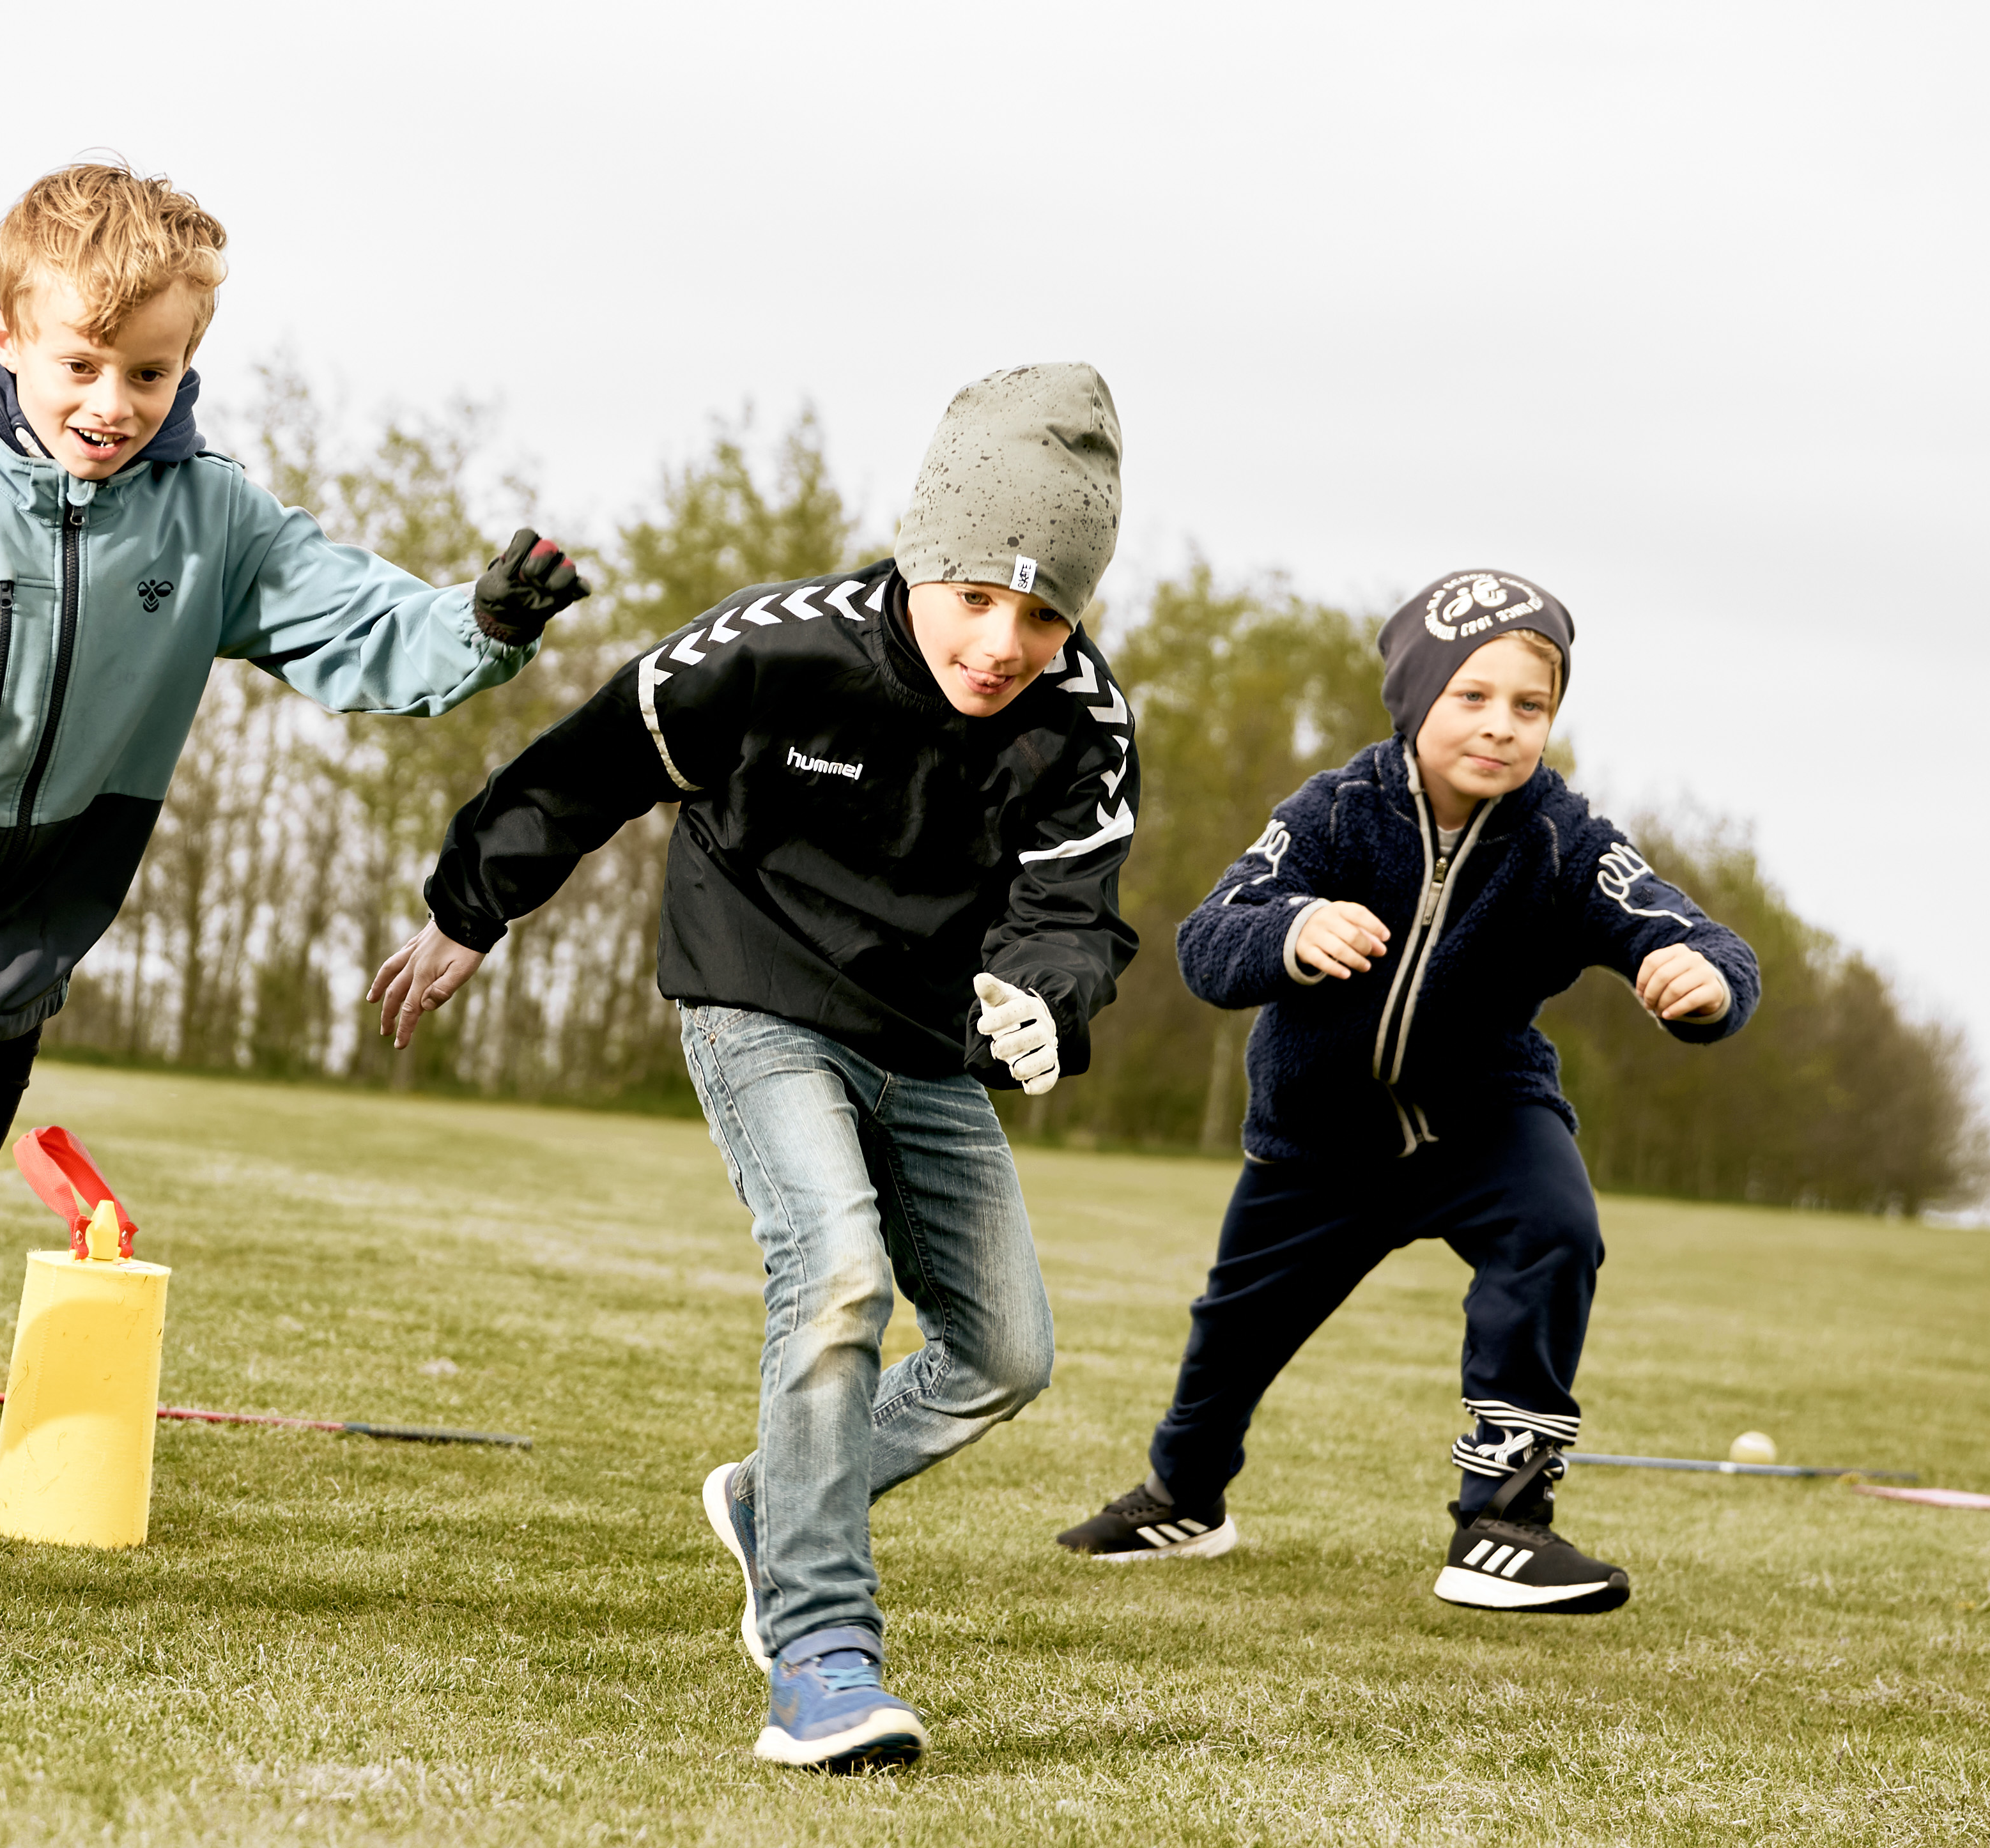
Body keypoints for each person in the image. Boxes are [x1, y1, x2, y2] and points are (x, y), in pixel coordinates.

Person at [0, 161, 588, 1620]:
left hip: (37, 908)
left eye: (151, 370)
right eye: (81, 363)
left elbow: (361, 624)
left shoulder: (213, 523)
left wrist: (483, 623)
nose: (112, 401)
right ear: (2, 332)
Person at [376, 366, 1140, 1771]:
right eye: (978, 595)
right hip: (759, 991)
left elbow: (1074, 913)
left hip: (922, 1039)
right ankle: (823, 1654)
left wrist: (1046, 997)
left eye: (1045, 612)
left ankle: (770, 1492)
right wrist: (469, 909)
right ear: (926, 555)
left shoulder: (1081, 722)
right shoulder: (775, 650)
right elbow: (593, 762)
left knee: (1007, 1353)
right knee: (838, 1267)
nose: (1004, 641)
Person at [1053, 569, 1759, 1615]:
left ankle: (1502, 1524)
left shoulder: (1564, 841)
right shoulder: (1335, 812)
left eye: (1531, 706)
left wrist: (1703, 985)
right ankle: (1184, 1499)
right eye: (1471, 697)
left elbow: (1694, 936)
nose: (1502, 727)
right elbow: (1208, 942)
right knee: (1233, 1332)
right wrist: (1291, 933)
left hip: (1485, 1120)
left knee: (1556, 1229)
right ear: (1416, 700)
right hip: (1318, 1141)